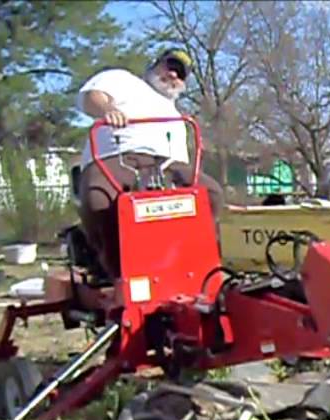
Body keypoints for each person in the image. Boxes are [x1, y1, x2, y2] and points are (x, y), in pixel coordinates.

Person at [74, 49, 225, 278]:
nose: (173, 75)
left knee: (210, 193)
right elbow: (92, 97)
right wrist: (108, 110)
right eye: (170, 66)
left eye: (180, 74)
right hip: (119, 155)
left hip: (166, 165)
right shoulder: (123, 80)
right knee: (100, 198)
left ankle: (190, 264)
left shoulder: (176, 116)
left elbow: (182, 159)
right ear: (155, 66)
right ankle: (113, 268)